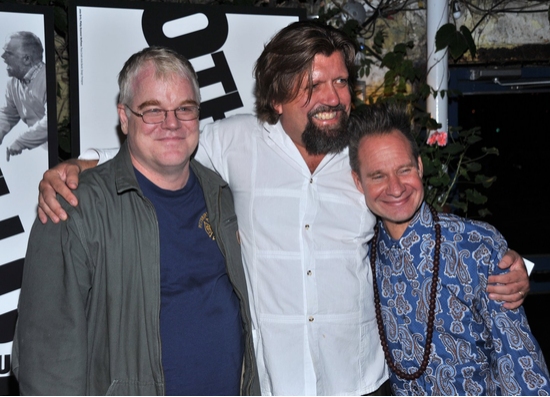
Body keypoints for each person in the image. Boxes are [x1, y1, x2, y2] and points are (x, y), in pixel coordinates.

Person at [35, 21, 530, 395]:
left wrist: (507, 264)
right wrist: (80, 164)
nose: (332, 97)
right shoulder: (233, 143)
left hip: (362, 385)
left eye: (339, 82)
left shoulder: (365, 155)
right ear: (275, 96)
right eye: (312, 84)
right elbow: (160, 141)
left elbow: (417, 220)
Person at [12, 47, 260, 395]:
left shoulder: (220, 195)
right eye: (152, 110)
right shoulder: (73, 208)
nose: (171, 123)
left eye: (184, 109)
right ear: (125, 117)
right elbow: (46, 356)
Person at [349, 102, 549, 395]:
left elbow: (520, 365)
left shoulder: (477, 246)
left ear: (419, 166)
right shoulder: (361, 259)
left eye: (403, 170)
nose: (395, 187)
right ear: (358, 182)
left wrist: (523, 270)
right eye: (378, 176)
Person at [0, 31, 48, 161]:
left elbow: (50, 122)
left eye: (8, 53)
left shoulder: (49, 79)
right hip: (39, 155)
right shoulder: (12, 84)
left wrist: (21, 142)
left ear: (26, 59)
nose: (2, 56)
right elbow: (7, 115)